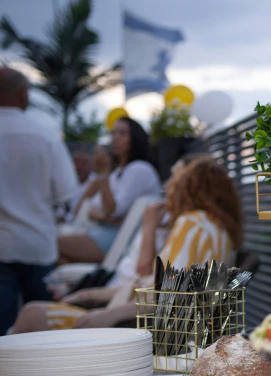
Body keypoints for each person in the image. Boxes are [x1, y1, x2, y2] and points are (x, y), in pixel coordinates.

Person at [11, 157, 243, 333]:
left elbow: (171, 293)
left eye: (176, 178)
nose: (169, 184)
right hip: (172, 329)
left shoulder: (192, 224)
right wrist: (89, 295)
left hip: (141, 330)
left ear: (190, 185)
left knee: (31, 314)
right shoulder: (219, 230)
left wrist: (112, 313)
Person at [0, 67, 79, 335]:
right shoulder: (45, 136)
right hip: (37, 244)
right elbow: (67, 194)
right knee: (41, 335)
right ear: (24, 95)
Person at [58, 117, 161, 264]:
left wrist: (103, 175)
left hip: (116, 240)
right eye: (113, 133)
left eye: (122, 133)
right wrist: (101, 214)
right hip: (102, 233)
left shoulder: (140, 169)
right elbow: (88, 208)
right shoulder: (118, 172)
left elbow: (112, 211)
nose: (115, 138)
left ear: (136, 138)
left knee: (50, 245)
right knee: (57, 255)